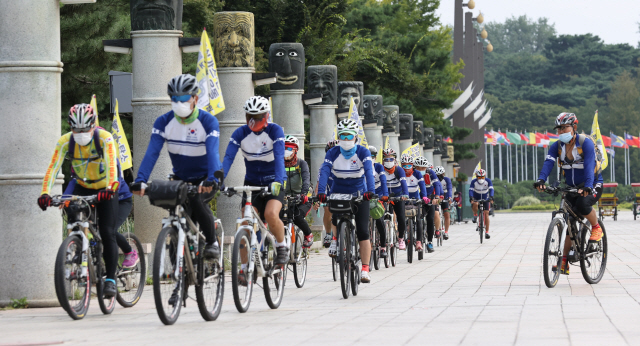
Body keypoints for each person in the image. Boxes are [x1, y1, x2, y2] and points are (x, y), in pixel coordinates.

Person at [131, 74, 222, 260]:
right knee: (175, 210)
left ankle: (212, 241)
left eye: (183, 99)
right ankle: (178, 267)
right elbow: (152, 153)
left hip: (206, 177)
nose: (178, 103)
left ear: (195, 99)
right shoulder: (163, 122)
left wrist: (211, 179)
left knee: (197, 200)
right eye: (174, 99)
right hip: (180, 178)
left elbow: (213, 153)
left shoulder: (208, 122)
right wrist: (140, 180)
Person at [38, 103, 120, 298]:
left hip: (106, 187)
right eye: (76, 129)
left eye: (85, 129)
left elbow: (111, 167)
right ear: (70, 127)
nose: (81, 133)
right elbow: (53, 168)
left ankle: (110, 279)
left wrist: (109, 189)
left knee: (107, 232)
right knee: (73, 218)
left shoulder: (105, 138)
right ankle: (78, 248)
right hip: (82, 185)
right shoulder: (65, 142)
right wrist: (44, 193)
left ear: (93, 125)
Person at [534, 112, 604, 275]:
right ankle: (563, 261)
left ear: (574, 127)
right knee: (569, 222)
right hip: (571, 186)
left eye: (564, 128)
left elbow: (588, 165)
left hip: (592, 183)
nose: (561, 132)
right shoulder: (557, 146)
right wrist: (541, 180)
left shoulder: (584, 143)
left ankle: (596, 227)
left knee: (582, 204)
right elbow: (548, 163)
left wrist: (587, 186)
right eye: (558, 129)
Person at [222, 95, 288, 265]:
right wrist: (218, 179)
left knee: (271, 214)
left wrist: (279, 181)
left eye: (257, 117)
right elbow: (228, 158)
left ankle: (281, 246)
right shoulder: (240, 133)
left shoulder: (275, 131)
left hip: (274, 180)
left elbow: (280, 157)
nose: (253, 120)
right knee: (245, 222)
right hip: (251, 182)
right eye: (249, 116)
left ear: (266, 116)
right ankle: (245, 267)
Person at [317, 119, 375, 283]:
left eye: (349, 136)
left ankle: (364, 268)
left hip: (359, 193)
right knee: (335, 217)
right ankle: (337, 240)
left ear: (355, 137)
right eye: (343, 136)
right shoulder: (333, 152)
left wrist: (370, 191)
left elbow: (369, 172)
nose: (346, 139)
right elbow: (324, 171)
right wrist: (322, 192)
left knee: (363, 231)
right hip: (338, 192)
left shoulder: (363, 152)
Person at [65, 162, 139, 268]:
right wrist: (64, 198)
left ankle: (130, 252)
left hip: (120, 200)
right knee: (88, 226)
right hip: (98, 199)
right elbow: (74, 181)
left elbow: (115, 178)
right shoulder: (79, 159)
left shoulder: (106, 154)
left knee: (109, 230)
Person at [283, 135, 314, 248]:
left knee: (297, 216)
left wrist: (303, 194)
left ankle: (308, 235)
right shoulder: (279, 164)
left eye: (289, 149)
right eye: (284, 148)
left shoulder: (301, 164)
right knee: (278, 218)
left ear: (296, 150)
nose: (286, 151)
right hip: (285, 198)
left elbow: (306, 180)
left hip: (303, 198)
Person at [400, 154, 430, 251]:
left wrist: (424, 196)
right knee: (402, 218)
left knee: (418, 220)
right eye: (405, 166)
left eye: (409, 166)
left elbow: (422, 185)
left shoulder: (417, 173)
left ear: (412, 165)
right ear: (401, 165)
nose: (407, 168)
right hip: (404, 198)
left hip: (415, 198)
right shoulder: (400, 173)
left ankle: (418, 242)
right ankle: (402, 236)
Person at [382, 148, 409, 250]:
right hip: (385, 196)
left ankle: (401, 238)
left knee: (401, 217)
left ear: (395, 160)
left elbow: (403, 183)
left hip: (398, 195)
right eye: (386, 159)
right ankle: (382, 242)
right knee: (380, 218)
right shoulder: (381, 169)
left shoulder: (399, 170)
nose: (389, 162)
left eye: (391, 159)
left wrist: (405, 194)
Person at [414, 157, 442, 252]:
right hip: (418, 197)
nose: (421, 170)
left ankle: (430, 242)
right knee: (417, 219)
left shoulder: (430, 172)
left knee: (430, 219)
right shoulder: (413, 173)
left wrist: (436, 197)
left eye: (423, 168)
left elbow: (437, 184)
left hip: (430, 198)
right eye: (419, 168)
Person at [369, 145, 389, 258]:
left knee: (379, 219)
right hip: (367, 194)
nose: (370, 158)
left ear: (375, 157)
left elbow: (383, 181)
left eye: (372, 156)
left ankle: (383, 246)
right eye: (368, 156)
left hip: (379, 195)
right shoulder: (362, 166)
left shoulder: (379, 167)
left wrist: (385, 195)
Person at [318, 140, 338, 248]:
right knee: (327, 208)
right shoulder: (324, 166)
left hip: (344, 190)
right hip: (330, 191)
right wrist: (319, 196)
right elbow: (320, 182)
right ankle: (328, 234)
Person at [469, 168, 493, 239]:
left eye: (482, 177)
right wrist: (471, 197)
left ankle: (487, 232)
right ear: (476, 177)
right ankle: (475, 215)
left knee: (486, 214)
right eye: (479, 177)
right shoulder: (474, 182)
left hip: (485, 197)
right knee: (475, 204)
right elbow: (470, 190)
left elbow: (491, 189)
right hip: (476, 197)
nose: (481, 178)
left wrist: (491, 196)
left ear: (485, 176)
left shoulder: (488, 181)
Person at [435, 166, 453, 240]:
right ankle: (436, 227)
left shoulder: (447, 179)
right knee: (435, 213)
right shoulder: (434, 180)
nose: (440, 177)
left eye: (441, 175)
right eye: (438, 175)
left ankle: (446, 232)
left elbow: (449, 189)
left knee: (447, 214)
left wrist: (449, 197)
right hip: (437, 198)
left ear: (444, 174)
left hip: (445, 198)